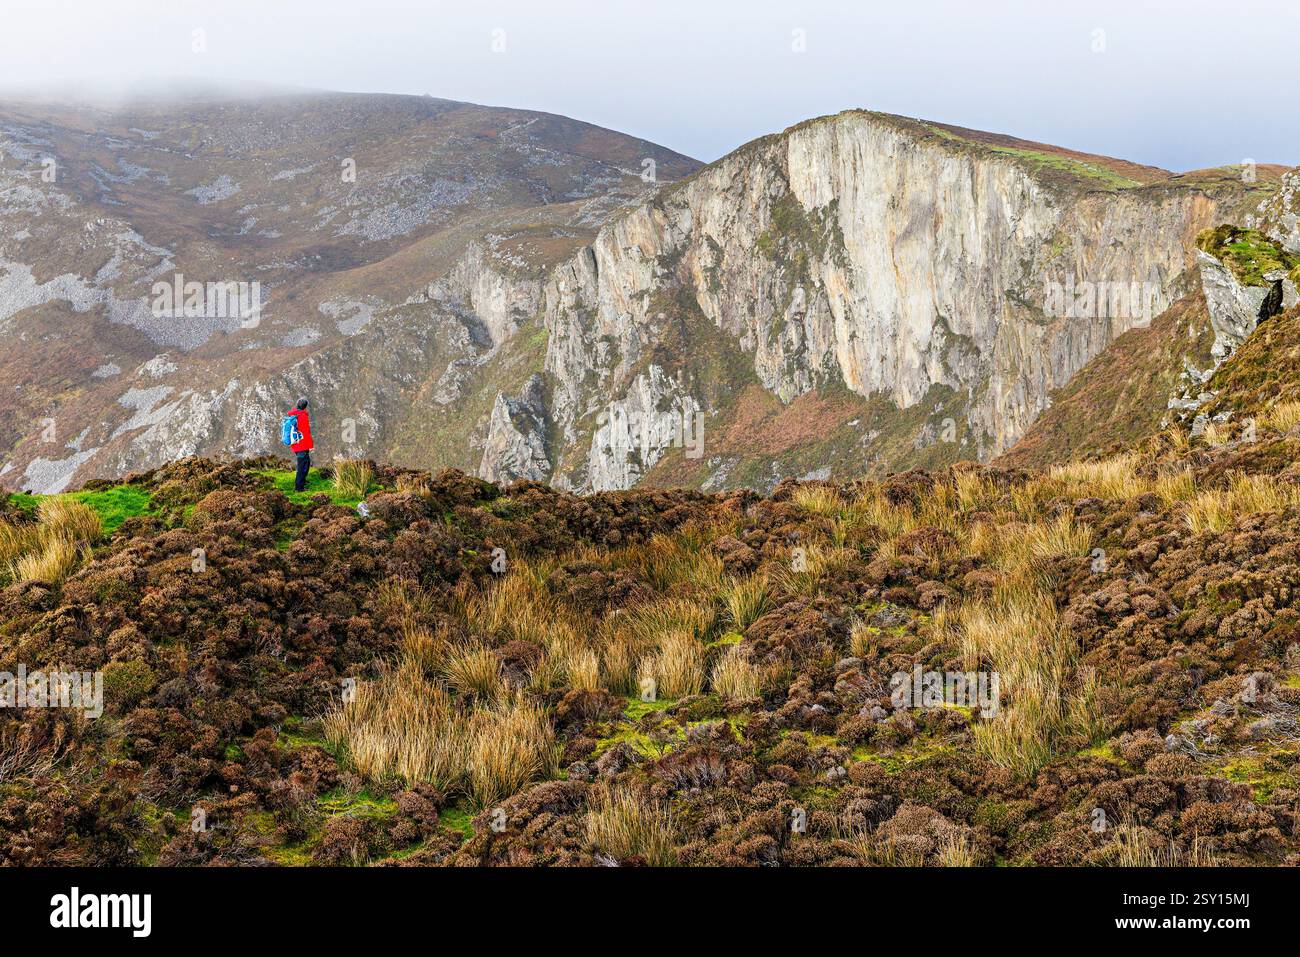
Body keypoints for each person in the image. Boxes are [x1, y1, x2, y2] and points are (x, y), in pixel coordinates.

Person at [287, 398, 314, 492]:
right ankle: (299, 487)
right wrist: (310, 446)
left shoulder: (293, 415)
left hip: (295, 444)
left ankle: (302, 481)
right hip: (302, 445)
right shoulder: (302, 416)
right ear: (305, 407)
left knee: (305, 463)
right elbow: (306, 432)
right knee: (303, 466)